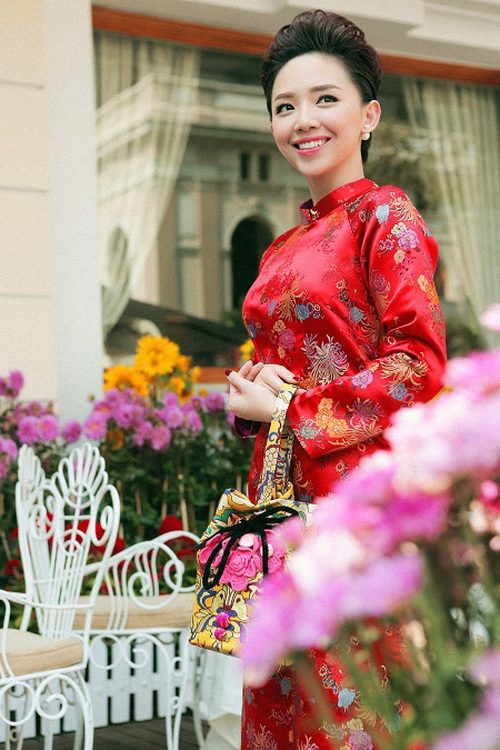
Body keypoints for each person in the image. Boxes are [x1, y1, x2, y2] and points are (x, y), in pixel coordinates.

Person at [226, 9, 447, 749]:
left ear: (368, 114)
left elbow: (418, 366)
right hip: (279, 504)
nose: (303, 121)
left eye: (325, 99)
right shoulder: (282, 245)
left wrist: (289, 408)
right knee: (281, 707)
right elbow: (282, 365)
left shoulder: (387, 218)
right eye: (285, 106)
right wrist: (251, 394)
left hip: (355, 508)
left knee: (350, 708)